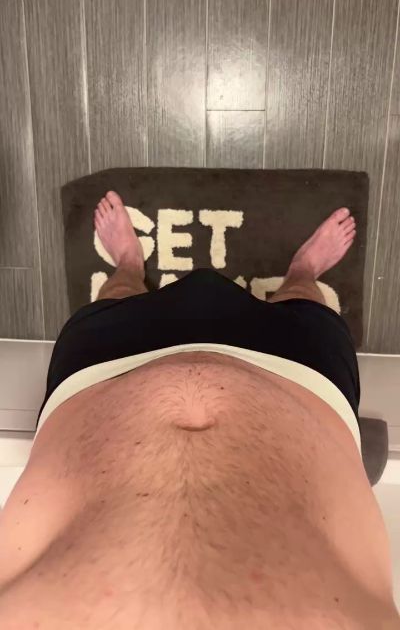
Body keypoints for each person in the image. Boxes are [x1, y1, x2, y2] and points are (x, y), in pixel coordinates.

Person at [0, 190, 398, 630]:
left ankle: (128, 267)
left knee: (116, 298)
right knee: (304, 301)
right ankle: (302, 273)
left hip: (98, 378)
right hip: (302, 380)